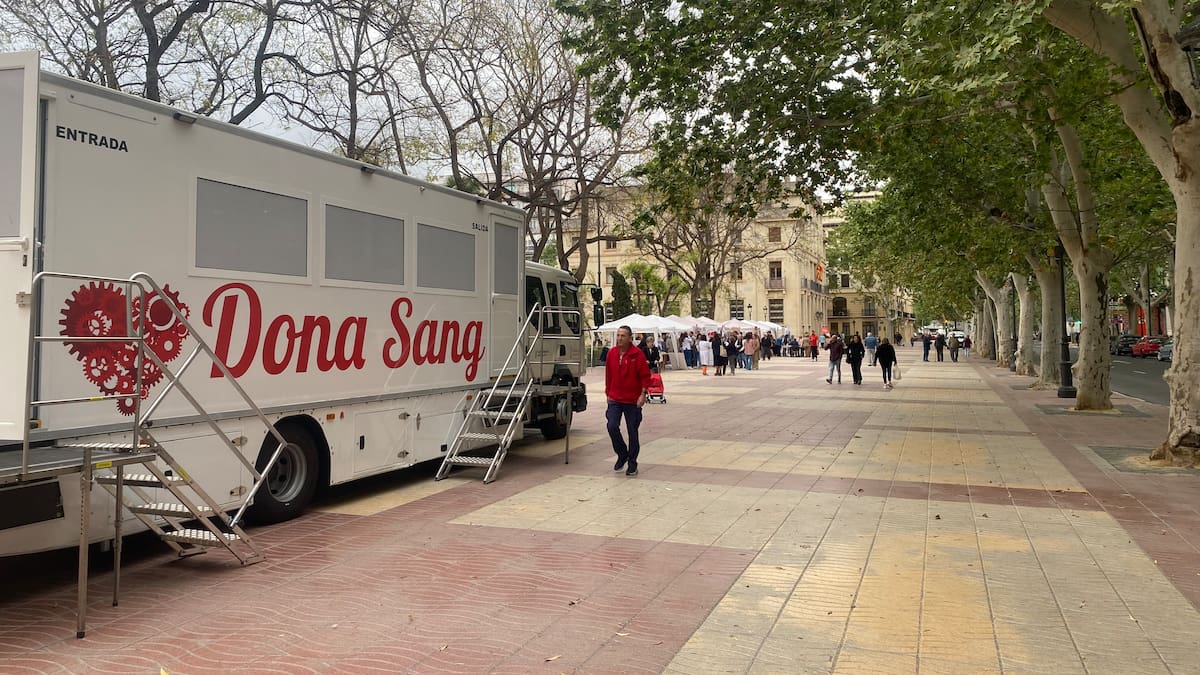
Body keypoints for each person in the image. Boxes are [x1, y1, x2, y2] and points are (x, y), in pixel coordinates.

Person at [605, 326, 651, 476]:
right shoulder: (611, 353)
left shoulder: (637, 355)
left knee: (632, 431)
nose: (619, 338)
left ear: (630, 338)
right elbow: (609, 374)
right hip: (615, 398)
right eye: (618, 335)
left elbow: (645, 376)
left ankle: (632, 463)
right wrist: (608, 392)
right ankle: (622, 453)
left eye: (623, 335)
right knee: (612, 426)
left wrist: (643, 394)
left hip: (632, 400)